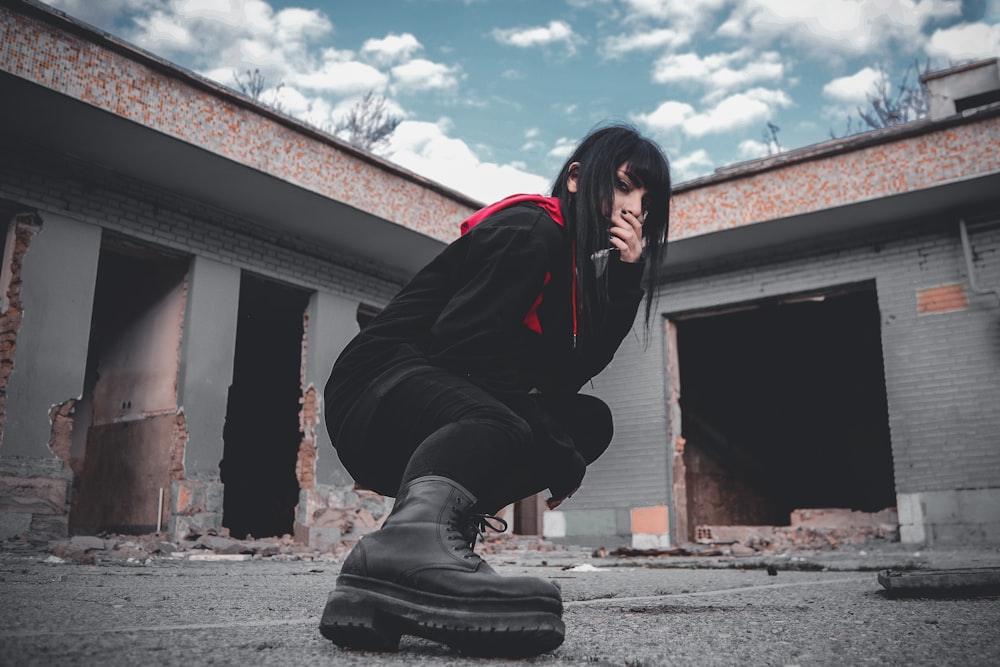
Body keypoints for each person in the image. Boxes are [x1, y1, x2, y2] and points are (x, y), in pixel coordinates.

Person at [319, 124, 671, 657]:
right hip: (378, 384)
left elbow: (565, 377)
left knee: (587, 423)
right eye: (624, 186)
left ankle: (396, 572)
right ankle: (411, 548)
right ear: (576, 179)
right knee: (509, 424)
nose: (634, 210)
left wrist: (624, 281)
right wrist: (544, 433)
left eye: (647, 201)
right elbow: (461, 349)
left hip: (436, 402)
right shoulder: (532, 228)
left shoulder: (571, 273)